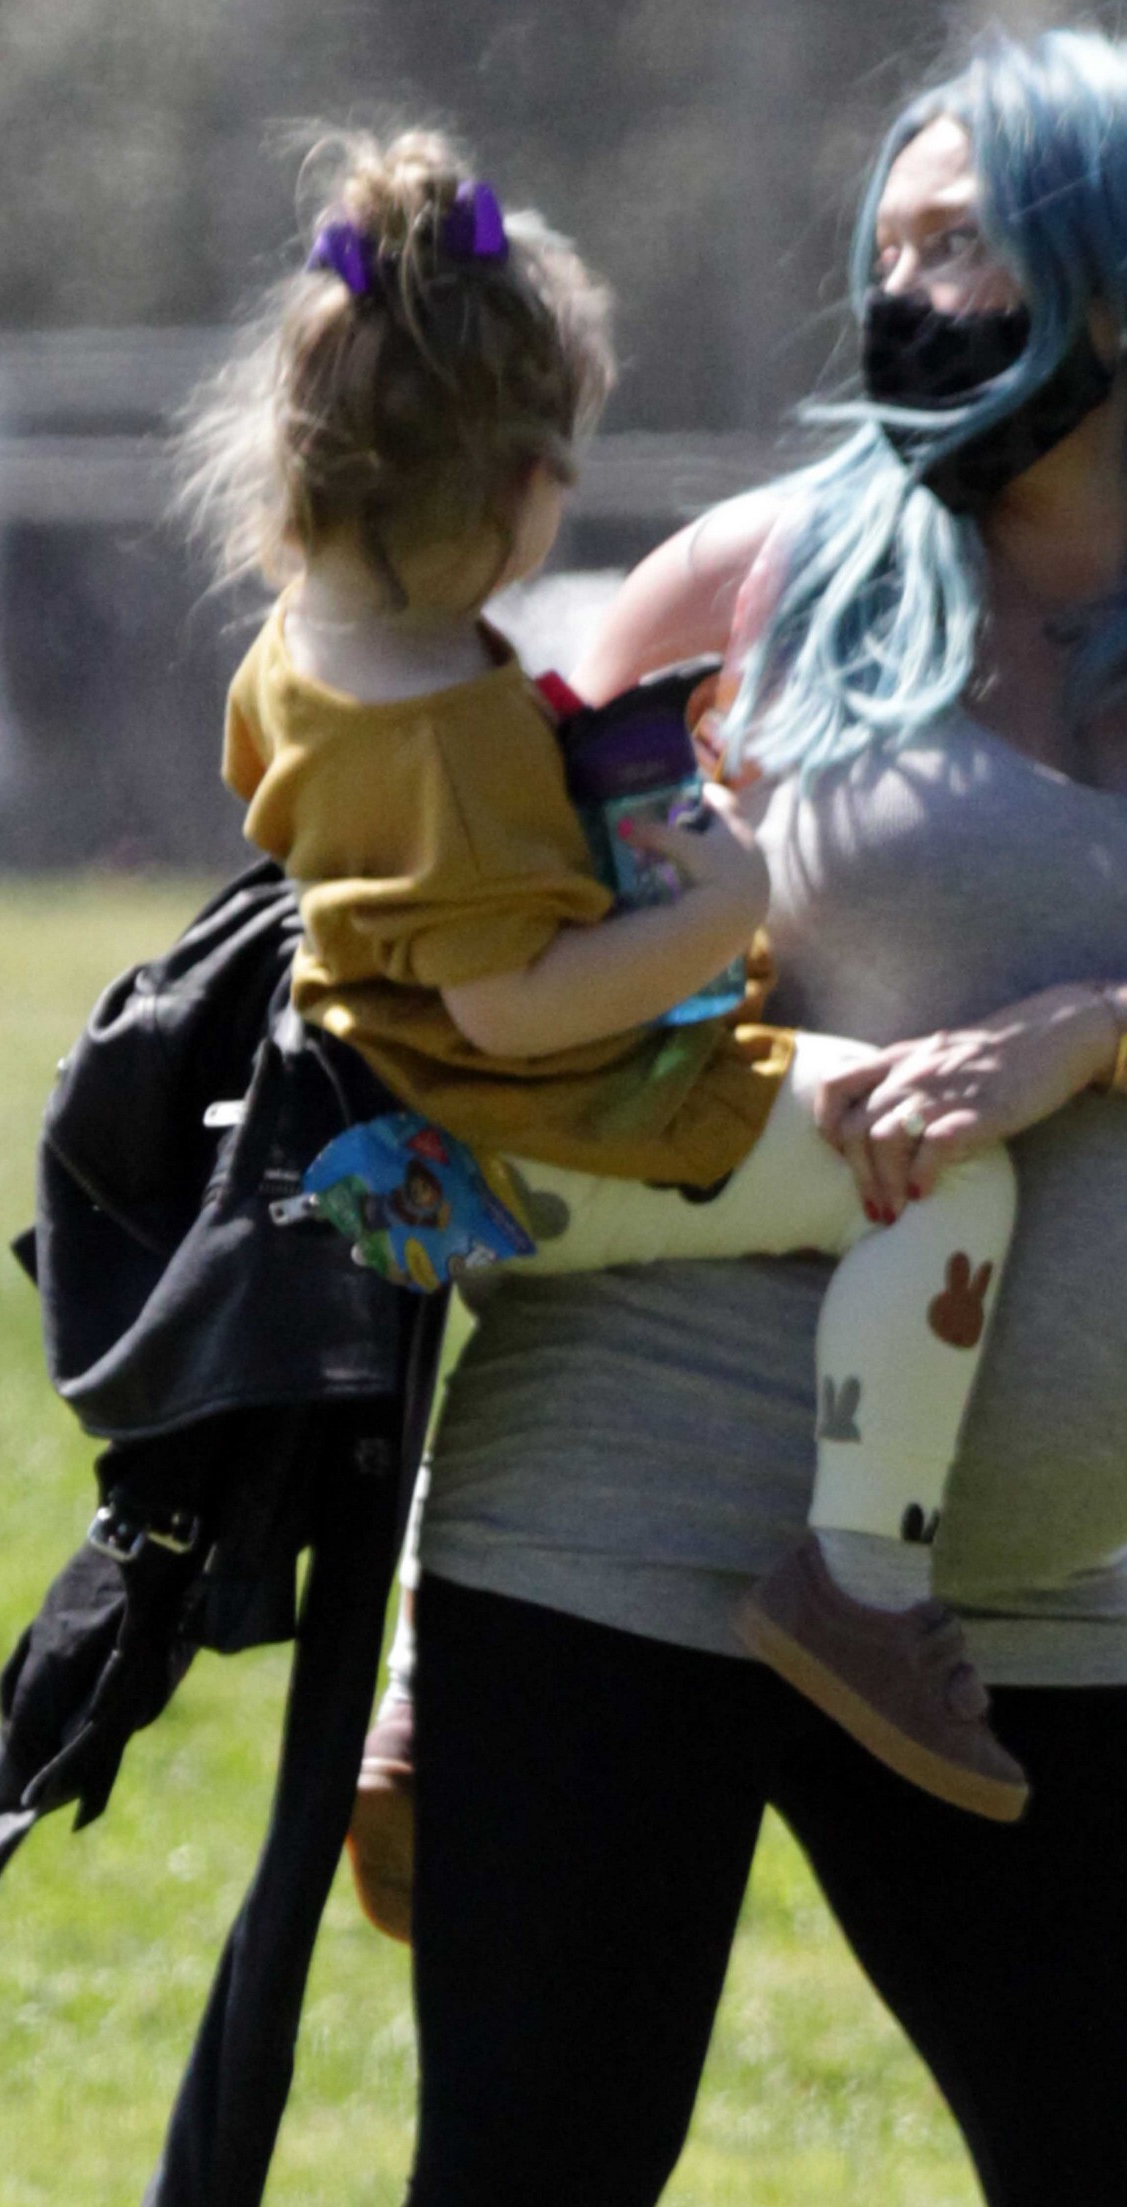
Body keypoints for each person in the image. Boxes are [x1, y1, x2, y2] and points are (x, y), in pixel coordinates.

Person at [358, 25, 1127, 2207]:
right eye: (887, 249)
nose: (903, 298)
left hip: (1004, 1597)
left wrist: (1105, 1031)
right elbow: (478, 973)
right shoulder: (761, 583)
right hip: (619, 1518)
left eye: (959, 248)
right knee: (526, 2199)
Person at [185, 123, 1037, 1829]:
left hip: (391, 1103)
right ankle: (863, 1587)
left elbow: (395, 886)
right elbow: (513, 1004)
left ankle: (420, 1693)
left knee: (518, 1366)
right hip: (523, 1134)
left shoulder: (304, 652)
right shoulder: (450, 730)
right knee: (948, 1170)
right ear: (510, 486)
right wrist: (722, 908)